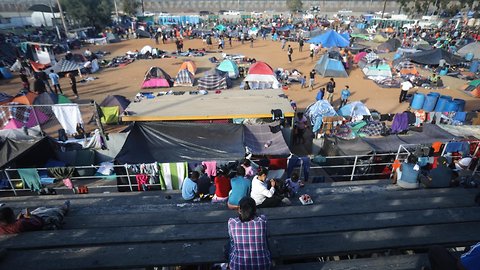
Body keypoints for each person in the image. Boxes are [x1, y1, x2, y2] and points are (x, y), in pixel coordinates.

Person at [227, 197, 271, 270]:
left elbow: (232, 239)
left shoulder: (232, 222)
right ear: (255, 210)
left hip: (238, 266)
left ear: (240, 210)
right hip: (263, 266)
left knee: (230, 243)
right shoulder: (263, 220)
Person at [0, 201, 70, 234]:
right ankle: (64, 207)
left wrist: (20, 217)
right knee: (56, 211)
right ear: (10, 216)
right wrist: (29, 216)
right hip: (41, 219)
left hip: (30, 218)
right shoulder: (21, 224)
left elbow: (13, 224)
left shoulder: (2, 227)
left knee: (40, 208)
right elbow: (38, 223)